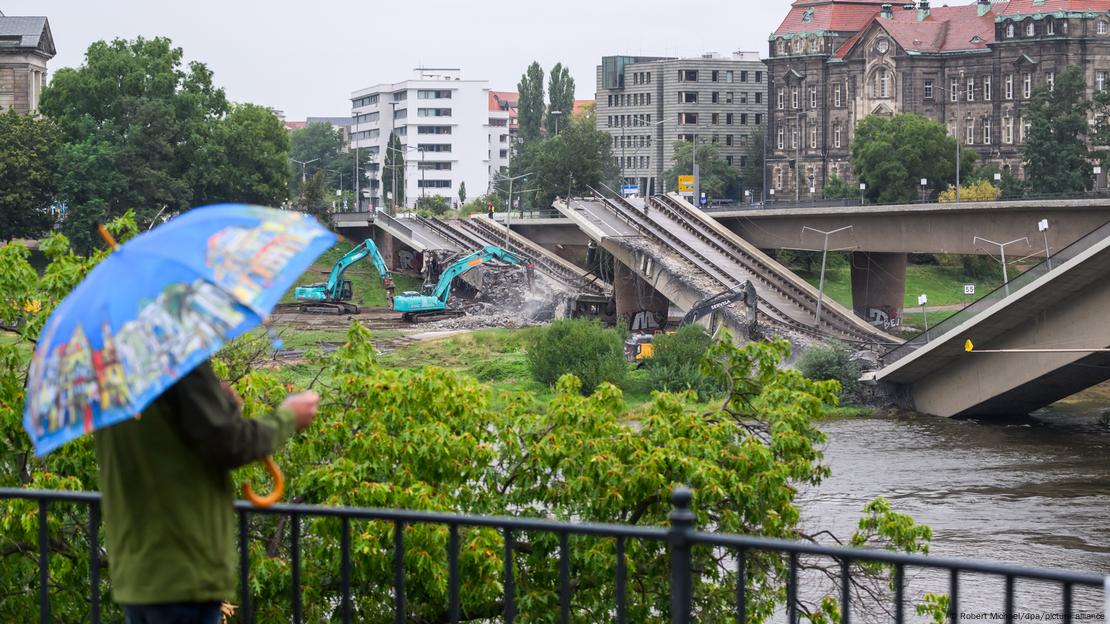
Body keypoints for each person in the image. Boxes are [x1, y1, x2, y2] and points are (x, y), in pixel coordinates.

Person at [94, 360, 319, 624]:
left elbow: (164, 445)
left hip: (135, 573)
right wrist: (287, 418)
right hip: (184, 571)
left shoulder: (108, 369)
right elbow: (230, 444)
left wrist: (216, 407)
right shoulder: (178, 361)